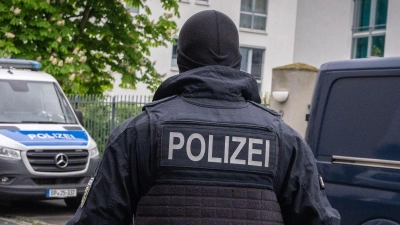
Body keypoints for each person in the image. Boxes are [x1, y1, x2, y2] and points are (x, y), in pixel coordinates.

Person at [67, 10, 340, 225]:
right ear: (238, 63)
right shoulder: (284, 140)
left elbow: (96, 218)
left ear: (181, 63)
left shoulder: (140, 133)